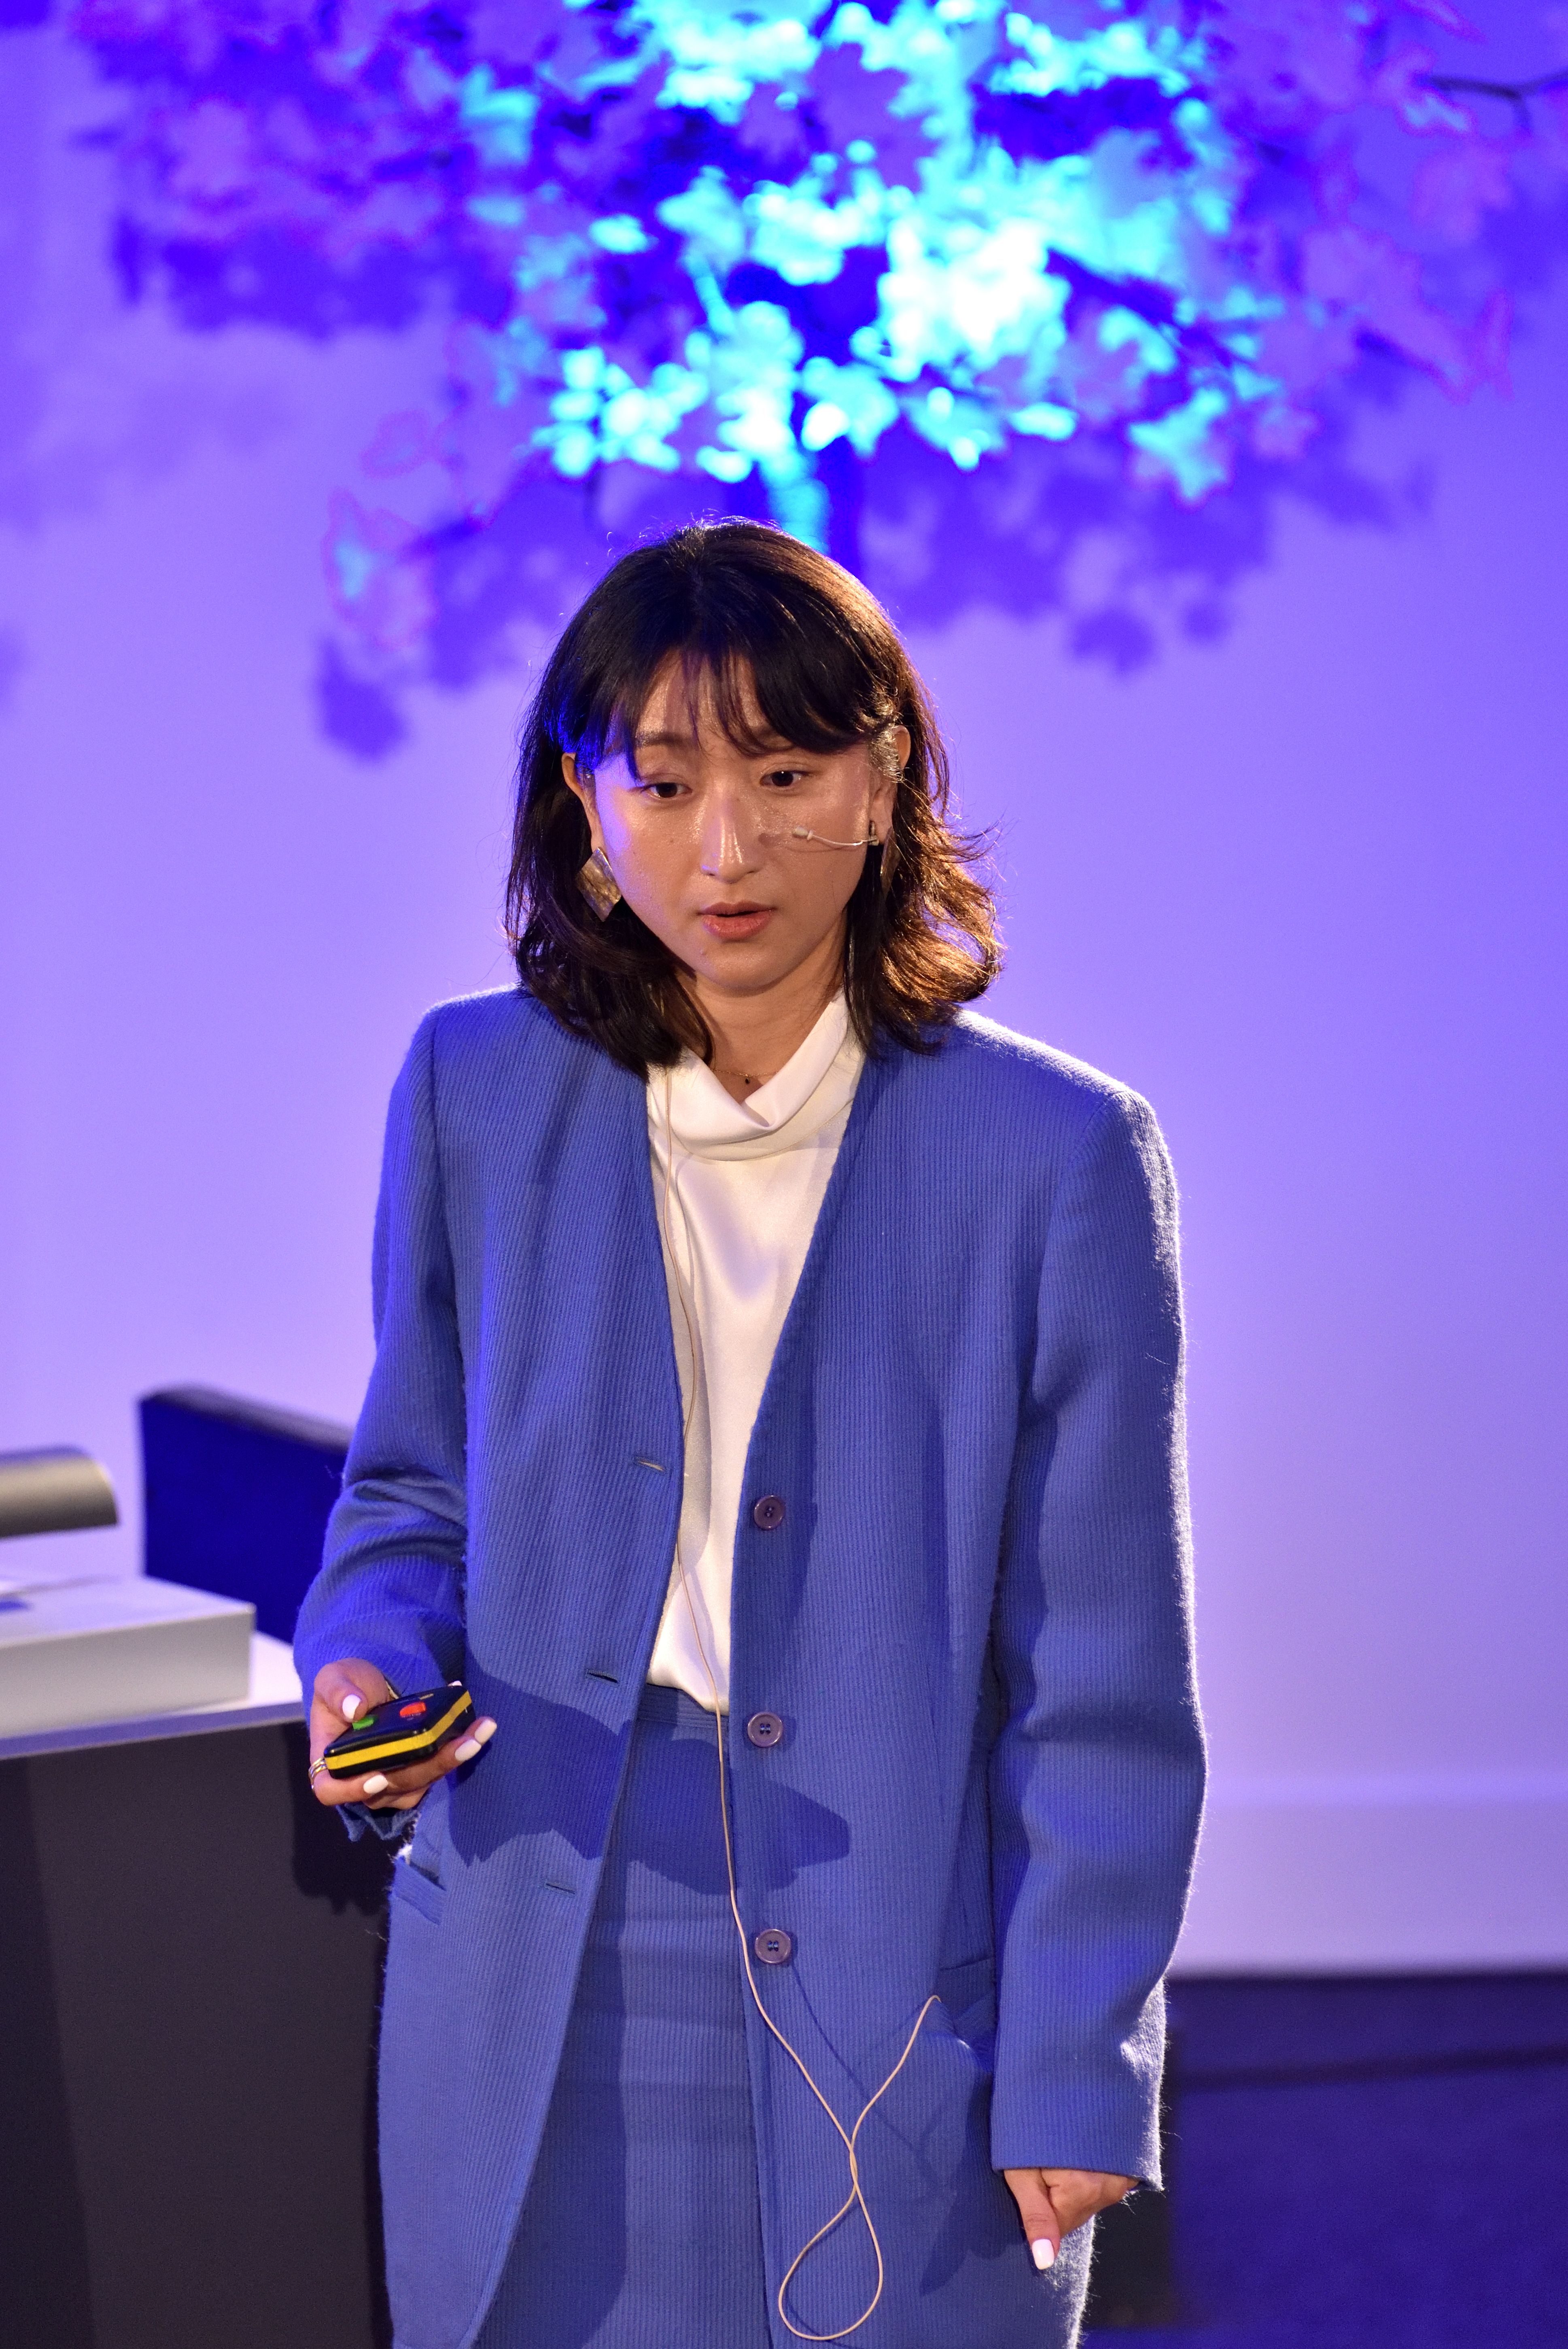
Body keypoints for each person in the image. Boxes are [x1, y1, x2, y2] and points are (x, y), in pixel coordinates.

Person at [296, 520, 1205, 2349]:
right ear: (582, 804)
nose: (727, 849)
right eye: (665, 782)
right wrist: (369, 1658)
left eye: (787, 776)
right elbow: (407, 1494)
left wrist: (1077, 2058)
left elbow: (1101, 1673)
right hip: (537, 1932)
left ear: (884, 782)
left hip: (902, 1959)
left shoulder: (1057, 1157)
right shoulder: (472, 1088)